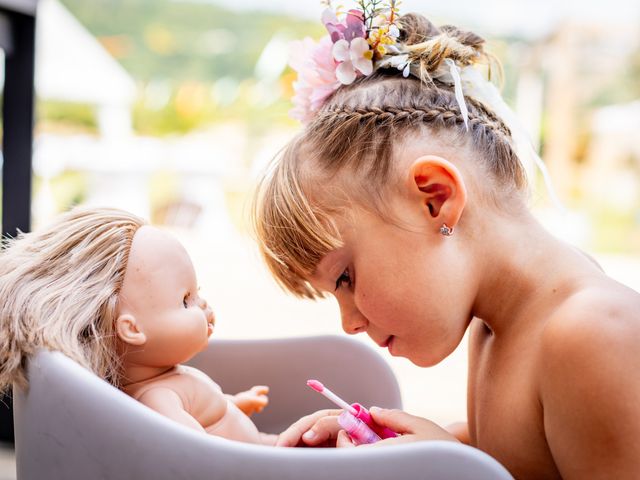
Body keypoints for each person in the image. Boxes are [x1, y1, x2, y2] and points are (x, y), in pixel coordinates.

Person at [253, 3, 640, 478]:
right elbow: (523, 455)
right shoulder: (495, 322)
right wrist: (400, 446)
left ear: (435, 199)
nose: (349, 323)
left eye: (346, 277)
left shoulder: (592, 332)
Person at [0, 207, 275, 445]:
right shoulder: (157, 398)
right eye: (185, 300)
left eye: (197, 292)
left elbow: (208, 413)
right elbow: (200, 454)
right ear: (132, 330)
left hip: (262, 448)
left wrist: (235, 404)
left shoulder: (167, 379)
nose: (203, 304)